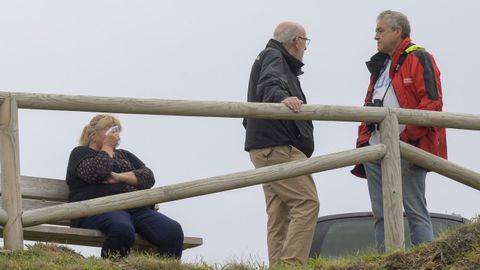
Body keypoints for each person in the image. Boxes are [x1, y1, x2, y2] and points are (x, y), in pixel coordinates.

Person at [351, 10, 447, 251]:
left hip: (409, 147)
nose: (375, 37)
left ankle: (426, 260)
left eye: (380, 31)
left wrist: (405, 138)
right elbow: (369, 104)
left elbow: (432, 103)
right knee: (381, 212)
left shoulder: (420, 58)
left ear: (398, 31)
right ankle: (387, 260)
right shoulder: (380, 65)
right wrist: (365, 141)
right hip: (376, 148)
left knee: (414, 208)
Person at [243, 21, 320, 265]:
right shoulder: (274, 56)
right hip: (278, 146)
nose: (305, 48)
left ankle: (279, 265)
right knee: (307, 203)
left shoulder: (269, 57)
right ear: (296, 41)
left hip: (264, 146)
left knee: (280, 214)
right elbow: (269, 84)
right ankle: (291, 265)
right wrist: (283, 98)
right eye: (306, 42)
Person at [66, 114, 184, 258]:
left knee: (172, 231)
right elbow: (99, 172)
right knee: (122, 228)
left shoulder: (124, 155)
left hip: (135, 208)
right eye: (110, 131)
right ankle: (112, 267)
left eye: (117, 131)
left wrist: (119, 177)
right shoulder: (80, 153)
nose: (115, 135)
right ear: (93, 134)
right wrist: (108, 147)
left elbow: (148, 177)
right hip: (98, 208)